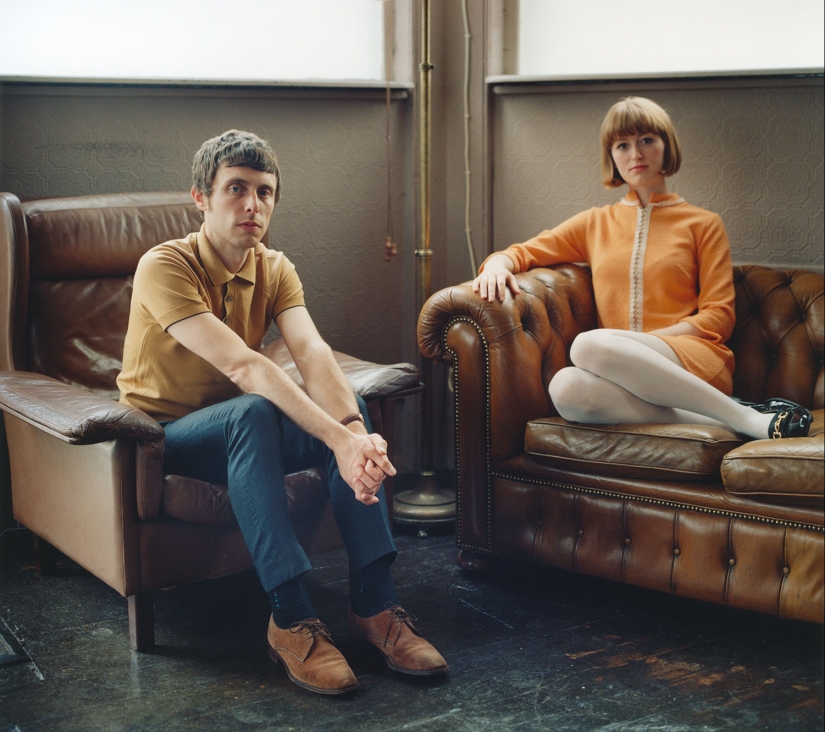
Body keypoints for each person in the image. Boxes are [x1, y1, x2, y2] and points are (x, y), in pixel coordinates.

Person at [117, 129, 447, 696]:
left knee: (353, 408)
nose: (253, 205)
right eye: (236, 189)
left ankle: (375, 607)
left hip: (250, 430)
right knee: (254, 411)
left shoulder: (274, 267)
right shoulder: (162, 265)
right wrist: (341, 441)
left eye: (265, 192)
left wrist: (352, 436)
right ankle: (291, 618)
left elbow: (313, 354)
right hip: (166, 436)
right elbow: (247, 367)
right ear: (201, 197)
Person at [472, 97, 812, 442]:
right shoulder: (595, 223)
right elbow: (524, 252)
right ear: (612, 157)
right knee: (565, 387)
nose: (636, 154)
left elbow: (718, 316)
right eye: (623, 145)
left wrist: (643, 345)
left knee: (588, 346)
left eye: (647, 140)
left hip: (691, 359)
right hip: (619, 370)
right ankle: (729, 418)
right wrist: (497, 264)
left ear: (667, 146)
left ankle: (744, 416)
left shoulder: (703, 224)